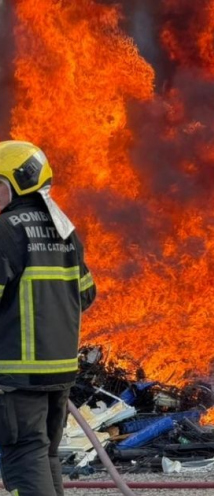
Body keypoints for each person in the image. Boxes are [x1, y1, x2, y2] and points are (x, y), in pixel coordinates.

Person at [0, 141, 96, 496]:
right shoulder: (65, 230)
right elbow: (85, 293)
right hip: (59, 373)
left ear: (18, 183)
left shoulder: (5, 230)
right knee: (44, 456)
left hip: (16, 374)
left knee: (24, 456)